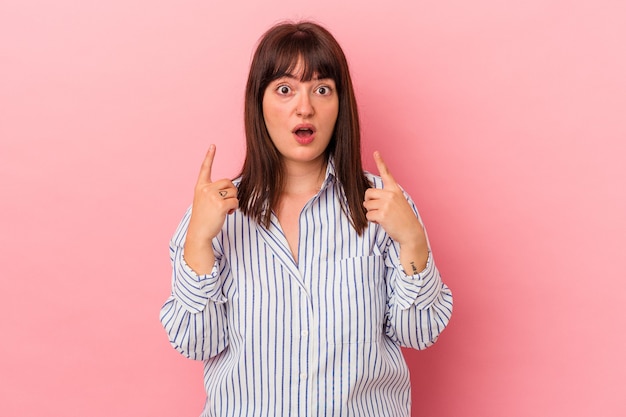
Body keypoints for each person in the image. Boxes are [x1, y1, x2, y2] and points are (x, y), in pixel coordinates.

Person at [160, 20, 453, 417]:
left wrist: (413, 241)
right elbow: (198, 344)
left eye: (321, 89)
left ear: (340, 103)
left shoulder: (383, 207)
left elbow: (418, 333)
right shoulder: (217, 214)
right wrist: (198, 243)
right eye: (284, 89)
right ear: (258, 103)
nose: (305, 107)